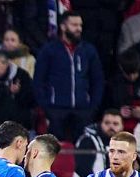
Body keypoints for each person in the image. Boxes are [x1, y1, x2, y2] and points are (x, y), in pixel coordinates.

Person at [34, 11, 104, 141]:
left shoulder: (88, 50)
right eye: (74, 25)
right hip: (56, 110)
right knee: (55, 149)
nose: (79, 29)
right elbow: (39, 80)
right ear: (63, 26)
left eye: (80, 25)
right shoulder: (49, 50)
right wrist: (47, 107)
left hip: (83, 110)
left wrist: (93, 107)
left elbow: (97, 80)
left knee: (82, 148)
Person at [0, 50, 35, 129]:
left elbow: (31, 101)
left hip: (23, 125)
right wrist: (7, 92)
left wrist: (17, 94)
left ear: (6, 64)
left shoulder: (21, 76)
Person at [75, 110, 124, 177]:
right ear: (101, 124)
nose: (111, 127)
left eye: (115, 124)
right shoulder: (88, 140)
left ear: (122, 127)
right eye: (107, 123)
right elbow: (83, 170)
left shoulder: (126, 144)